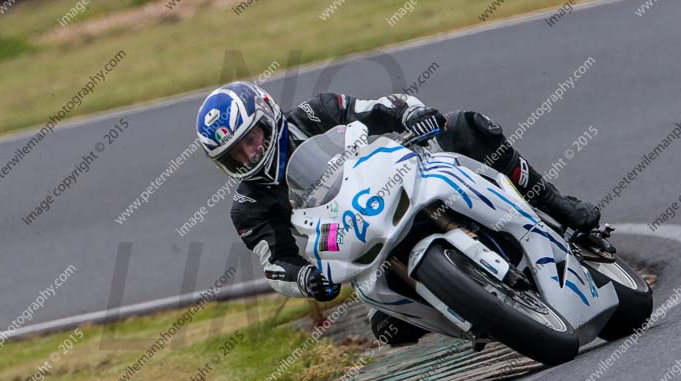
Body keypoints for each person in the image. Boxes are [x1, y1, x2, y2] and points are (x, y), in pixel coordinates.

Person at [195, 81, 600, 344]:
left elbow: (383, 108)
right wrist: (304, 279)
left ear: (268, 116)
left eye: (251, 138)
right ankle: (471, 308)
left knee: (465, 128)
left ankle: (557, 206)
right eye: (235, 154)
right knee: (388, 328)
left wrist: (410, 114)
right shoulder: (248, 206)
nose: (250, 154)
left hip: (393, 184)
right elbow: (275, 265)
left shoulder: (315, 112)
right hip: (360, 249)